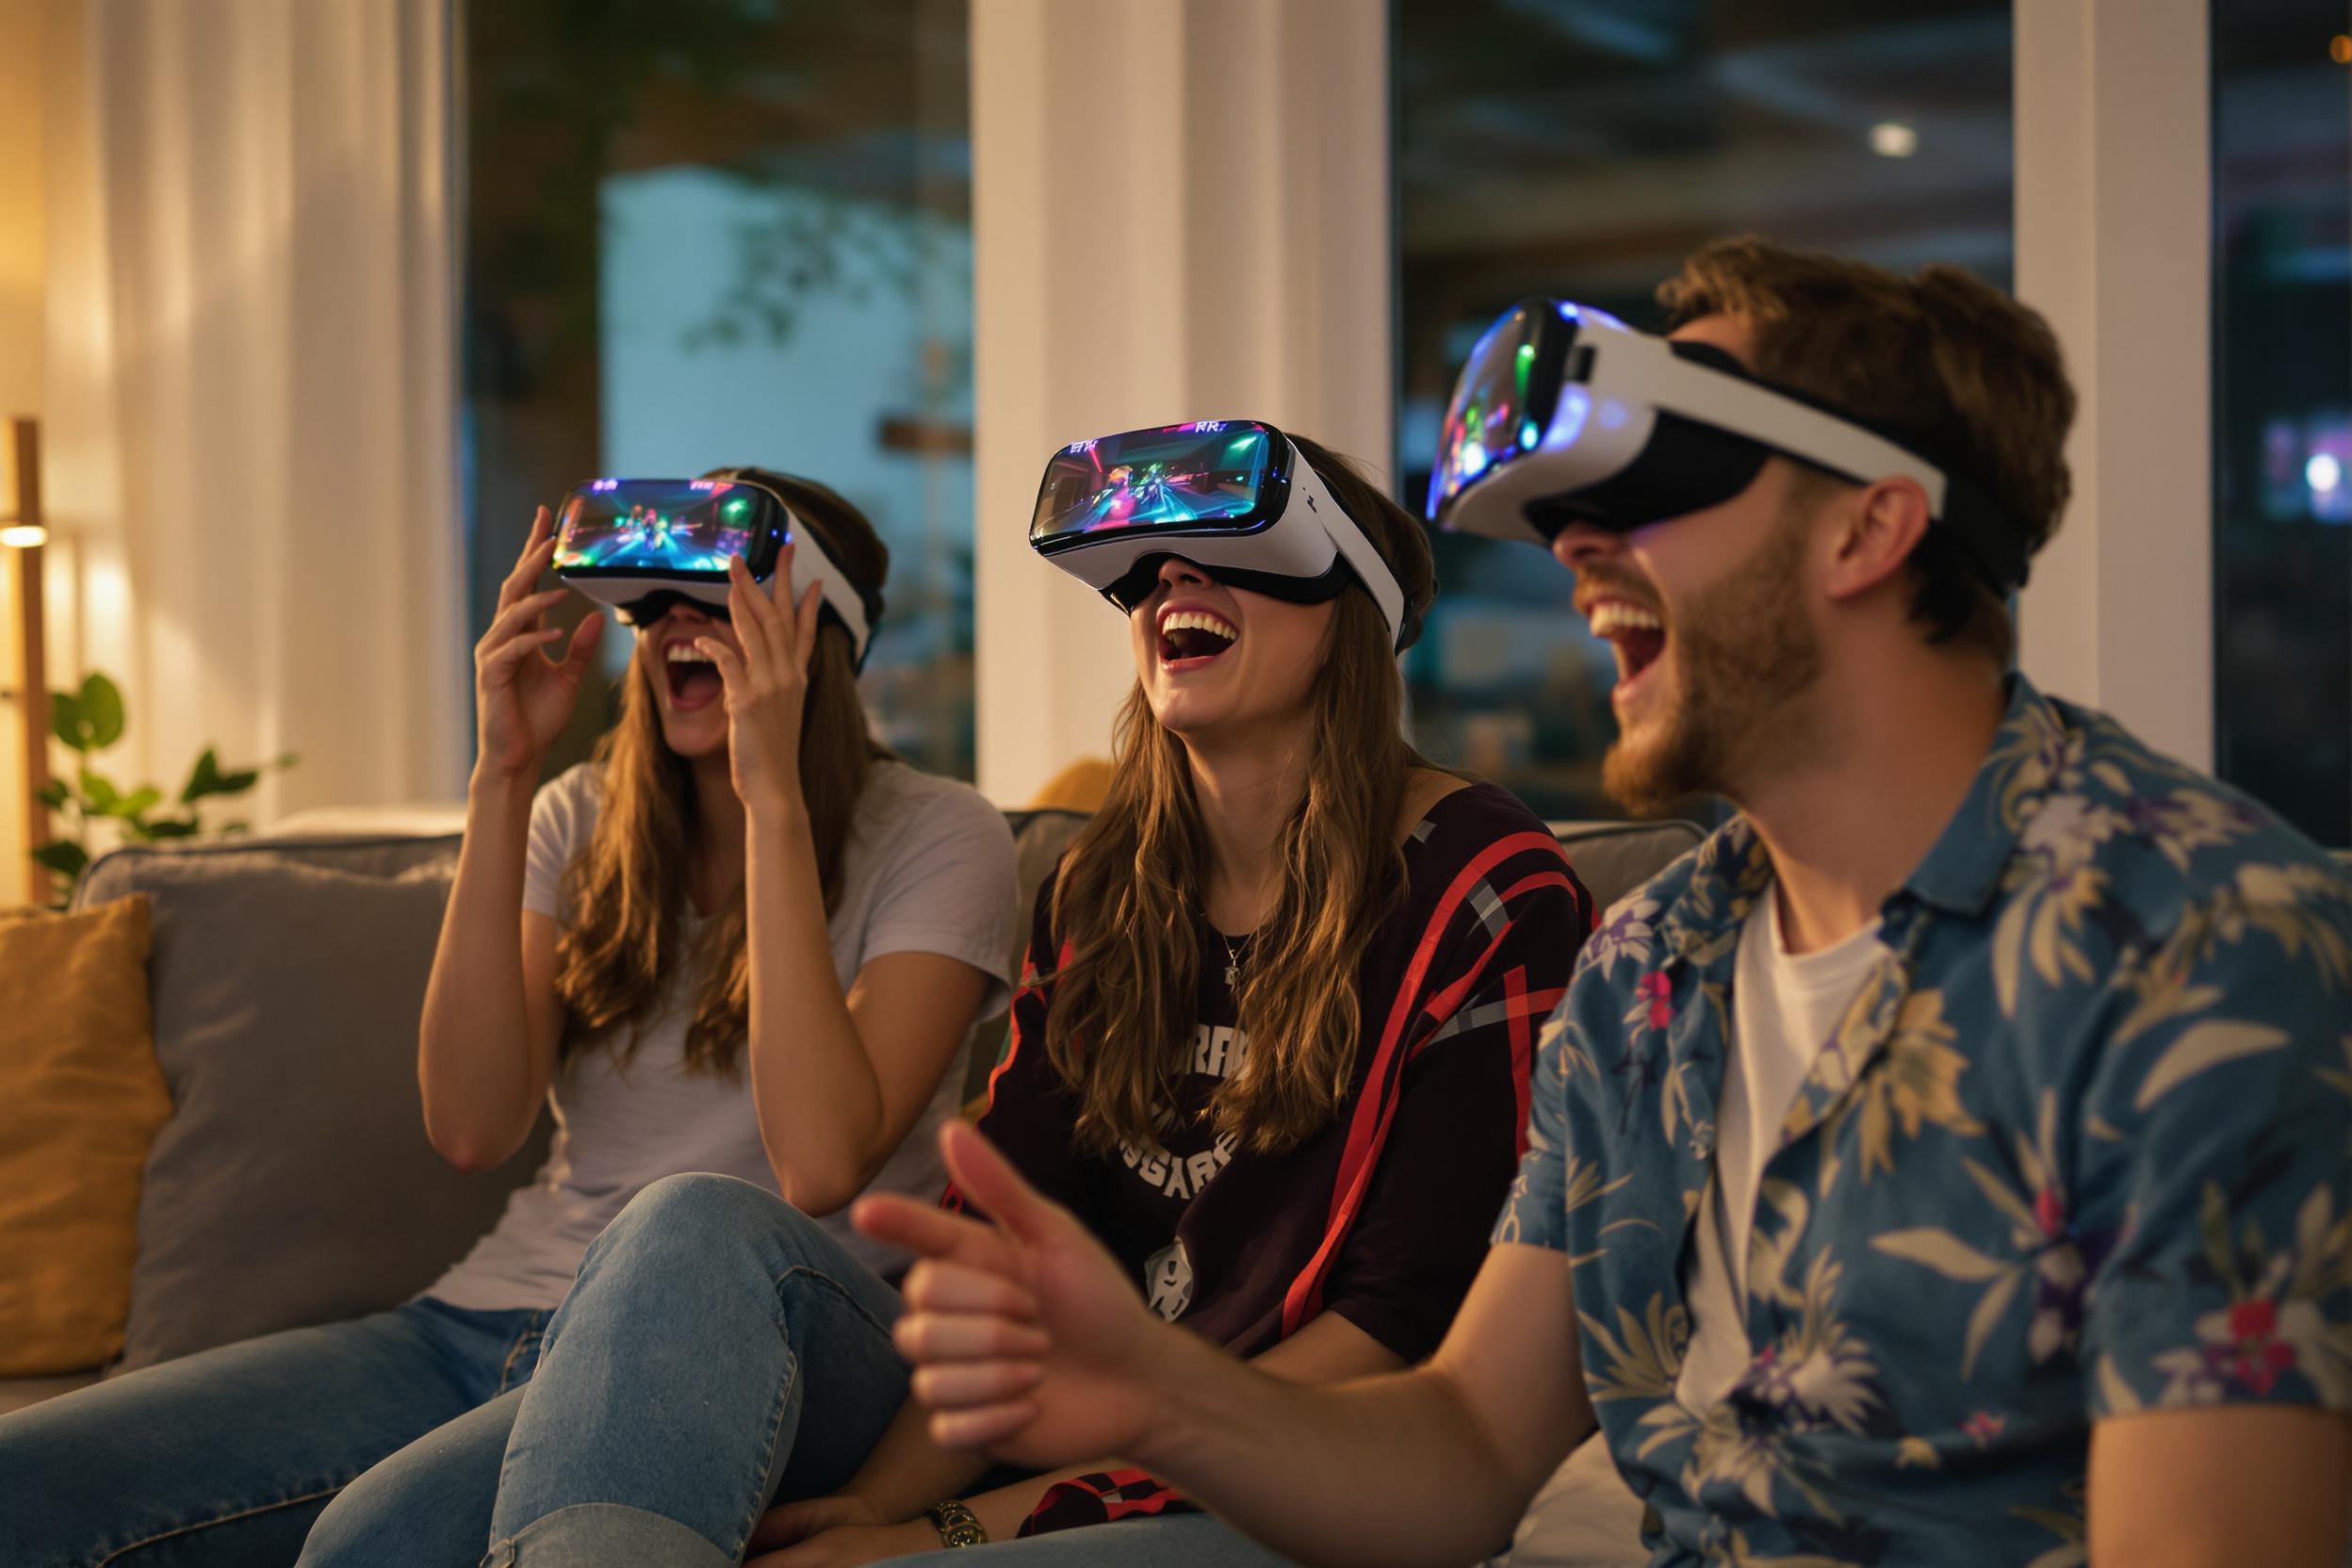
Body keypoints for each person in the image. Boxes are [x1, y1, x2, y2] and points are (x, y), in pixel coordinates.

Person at [865, 241, 2352, 1567]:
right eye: (1575, 509)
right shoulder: (1660, 964)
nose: (1576, 550)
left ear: (1869, 529)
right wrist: (1159, 1392)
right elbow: (1459, 1453)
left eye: (1654, 484)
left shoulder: (2201, 957)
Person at [455, 433, 1596, 1567]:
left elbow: (1402, 1329)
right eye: (1144, 569)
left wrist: (938, 1529)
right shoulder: (1105, 892)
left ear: (1350, 606)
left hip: (1309, 1471)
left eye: (1226, 549)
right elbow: (1004, 1244)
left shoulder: (1486, 890)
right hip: (1076, 1431)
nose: (1170, 583)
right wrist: (879, 1503)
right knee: (380, 1529)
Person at [0, 470, 1021, 1568]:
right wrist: (504, 768)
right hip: (491, 1317)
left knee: (373, 1547)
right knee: (25, 1482)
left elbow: (819, 1162)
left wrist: (769, 792)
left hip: (748, 1331)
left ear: (817, 638)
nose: (677, 622)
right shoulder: (577, 815)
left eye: (718, 598)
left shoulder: (940, 834)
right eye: (656, 602)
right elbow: (474, 1122)